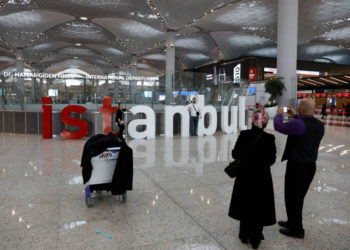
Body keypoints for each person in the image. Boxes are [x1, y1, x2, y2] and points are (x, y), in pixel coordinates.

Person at [274, 98, 324, 239]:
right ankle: (292, 222)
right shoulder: (319, 125)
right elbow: (296, 123)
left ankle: (297, 230)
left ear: (301, 108)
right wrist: (292, 114)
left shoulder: (300, 125)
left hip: (297, 167)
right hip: (310, 166)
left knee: (292, 198)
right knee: (297, 198)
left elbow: (279, 126)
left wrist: (280, 113)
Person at [229, 110, 276, 249]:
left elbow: (235, 154)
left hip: (245, 177)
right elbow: (271, 160)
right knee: (259, 205)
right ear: (266, 122)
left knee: (245, 202)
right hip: (262, 178)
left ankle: (244, 234)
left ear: (252, 121)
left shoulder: (244, 135)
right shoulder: (269, 138)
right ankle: (256, 237)